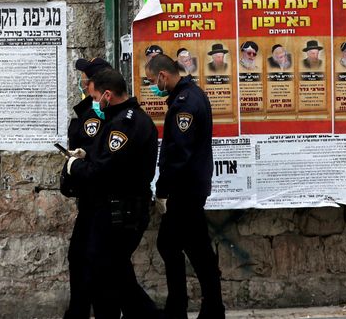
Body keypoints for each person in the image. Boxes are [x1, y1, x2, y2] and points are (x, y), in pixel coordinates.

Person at [62, 68, 159, 319]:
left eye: (94, 98)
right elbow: (112, 160)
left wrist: (76, 166)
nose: (93, 103)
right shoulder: (125, 118)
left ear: (107, 95)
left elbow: (104, 170)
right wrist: (88, 156)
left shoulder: (124, 124)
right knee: (112, 273)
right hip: (115, 209)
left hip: (120, 210)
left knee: (108, 274)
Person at [144, 54, 225, 319]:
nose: (152, 87)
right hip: (191, 186)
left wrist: (163, 190)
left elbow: (179, 152)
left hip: (185, 188)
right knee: (188, 246)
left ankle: (188, 308)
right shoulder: (191, 95)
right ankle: (201, 307)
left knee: (178, 246)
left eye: (151, 81)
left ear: (163, 76)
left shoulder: (184, 103)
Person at [61, 57, 111, 319]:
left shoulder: (97, 115)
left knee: (91, 262)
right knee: (80, 258)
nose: (81, 80)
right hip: (90, 201)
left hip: (99, 200)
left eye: (84, 76)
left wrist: (76, 166)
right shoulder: (88, 111)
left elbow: (95, 156)